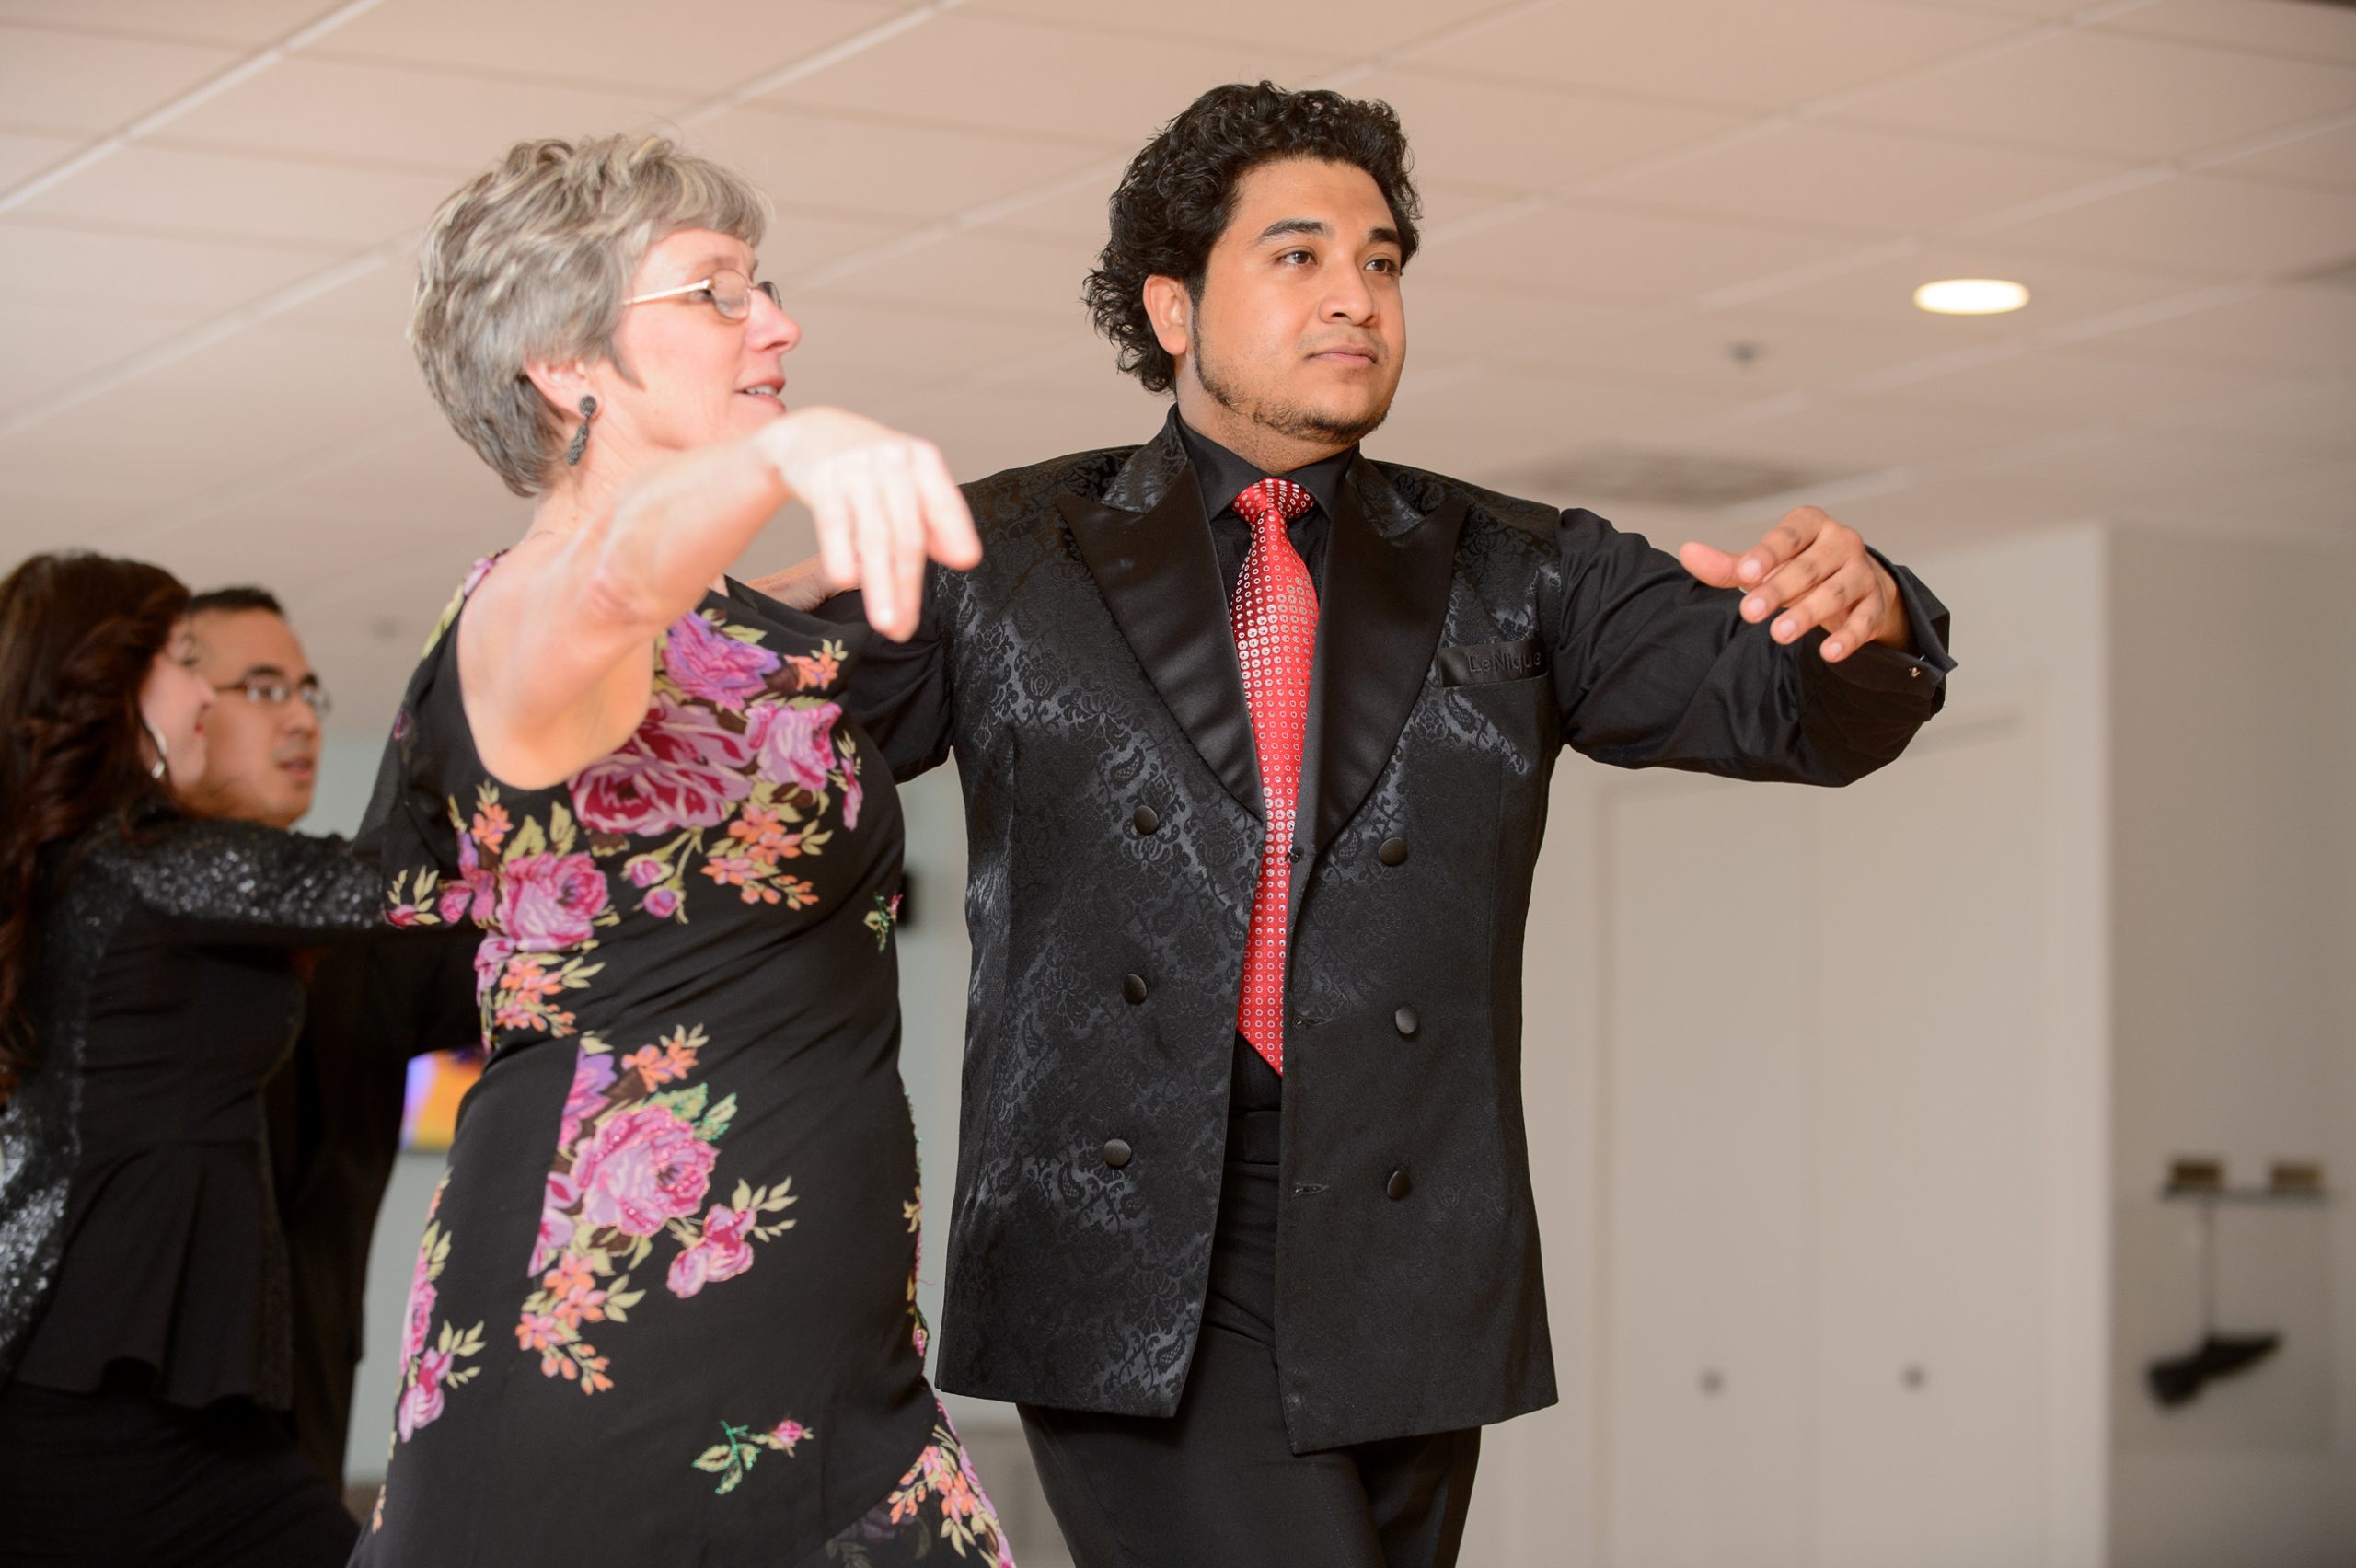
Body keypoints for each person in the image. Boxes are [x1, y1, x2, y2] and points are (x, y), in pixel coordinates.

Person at [778, 83, 1958, 1568]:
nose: (1357, 296)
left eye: (1384, 262)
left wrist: (1875, 619)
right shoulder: (1004, 553)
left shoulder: (1520, 571)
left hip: (1402, 1251)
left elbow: (1788, 705)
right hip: (1125, 1245)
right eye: (1298, 256)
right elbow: (760, 749)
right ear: (1171, 305)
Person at [346, 133, 1009, 1566]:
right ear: (565, 364)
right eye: (715, 293)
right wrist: (785, 449)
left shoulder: (736, 620)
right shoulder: (522, 616)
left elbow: (719, 597)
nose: (774, 322)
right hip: (600, 1348)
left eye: (763, 286)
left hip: (838, 1363)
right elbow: (611, 581)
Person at [0, 552, 392, 1567]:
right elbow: (396, 880)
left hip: (184, 1414)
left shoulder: (99, 860)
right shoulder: (145, 861)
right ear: (117, 677)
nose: (203, 690)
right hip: (87, 1412)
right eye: (183, 659)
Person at [180, 584, 479, 1490]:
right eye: (264, 690)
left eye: (308, 693)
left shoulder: (351, 943)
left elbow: (478, 923)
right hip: (123, 1444)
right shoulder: (109, 923)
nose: (301, 720)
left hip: (300, 1434)